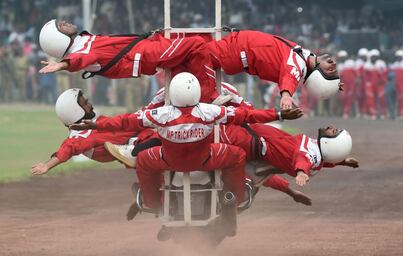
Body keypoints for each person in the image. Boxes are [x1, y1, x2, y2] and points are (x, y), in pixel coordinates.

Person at [69, 72, 303, 210]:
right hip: (208, 156)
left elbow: (128, 120)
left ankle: (152, 201)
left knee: (143, 159)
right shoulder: (210, 111)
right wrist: (279, 114)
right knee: (240, 158)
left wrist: (96, 124)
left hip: (169, 158)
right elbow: (248, 115)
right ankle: (239, 196)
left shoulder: (162, 113)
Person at [38, 19, 218, 103]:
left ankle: (214, 65)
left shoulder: (83, 40)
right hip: (145, 54)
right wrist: (62, 65)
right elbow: (78, 61)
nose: (66, 22)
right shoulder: (81, 51)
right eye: (61, 26)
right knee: (197, 44)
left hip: (146, 45)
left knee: (199, 35)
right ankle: (210, 97)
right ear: (57, 39)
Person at [206, 29, 342, 109]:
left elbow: (290, 76)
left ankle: (210, 95)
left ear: (318, 76)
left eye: (331, 71)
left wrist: (286, 96)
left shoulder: (298, 65)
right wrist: (333, 83)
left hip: (234, 51)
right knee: (195, 43)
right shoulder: (305, 56)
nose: (334, 64)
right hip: (236, 46)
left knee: (193, 51)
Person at [30, 88, 154, 175]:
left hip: (144, 134)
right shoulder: (80, 136)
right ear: (75, 111)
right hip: (144, 140)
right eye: (85, 103)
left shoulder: (96, 123)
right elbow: (67, 149)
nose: (90, 104)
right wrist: (47, 165)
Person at [220, 123, 358, 187]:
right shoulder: (319, 155)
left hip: (249, 140)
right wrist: (343, 161)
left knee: (214, 131)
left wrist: (301, 173)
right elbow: (325, 161)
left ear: (330, 143)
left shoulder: (309, 153)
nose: (332, 127)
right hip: (253, 134)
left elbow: (302, 160)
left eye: (334, 132)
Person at [390, 50, 403, 120]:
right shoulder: (395, 64)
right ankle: (399, 113)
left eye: (400, 56)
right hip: (397, 84)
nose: (398, 58)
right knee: (398, 99)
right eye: (397, 57)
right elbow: (391, 72)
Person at [337, 50, 357, 119]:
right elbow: (339, 76)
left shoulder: (351, 63)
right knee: (343, 98)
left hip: (351, 84)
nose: (341, 58)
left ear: (345, 57)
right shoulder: (339, 65)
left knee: (350, 98)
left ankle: (346, 112)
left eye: (342, 57)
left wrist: (357, 81)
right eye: (340, 57)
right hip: (344, 84)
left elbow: (356, 73)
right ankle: (344, 111)